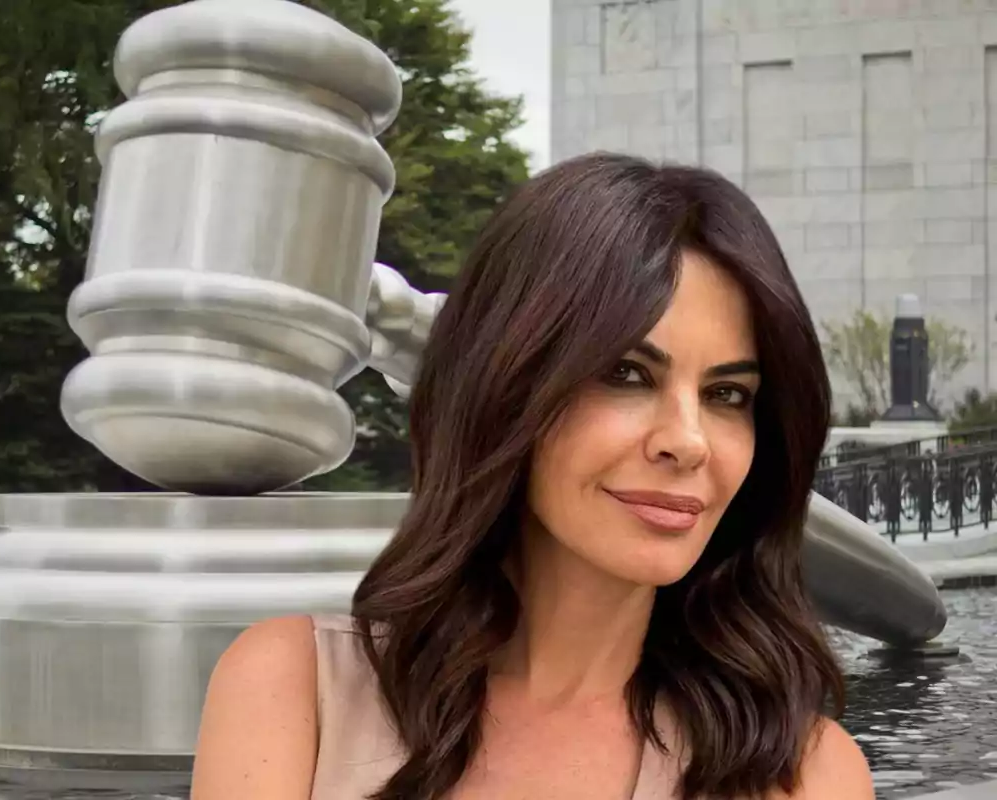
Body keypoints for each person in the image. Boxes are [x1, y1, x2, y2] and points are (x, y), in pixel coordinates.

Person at [189, 152, 875, 800]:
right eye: (627, 375)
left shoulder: (805, 775)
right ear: (504, 385)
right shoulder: (294, 692)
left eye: (727, 395)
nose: (687, 442)